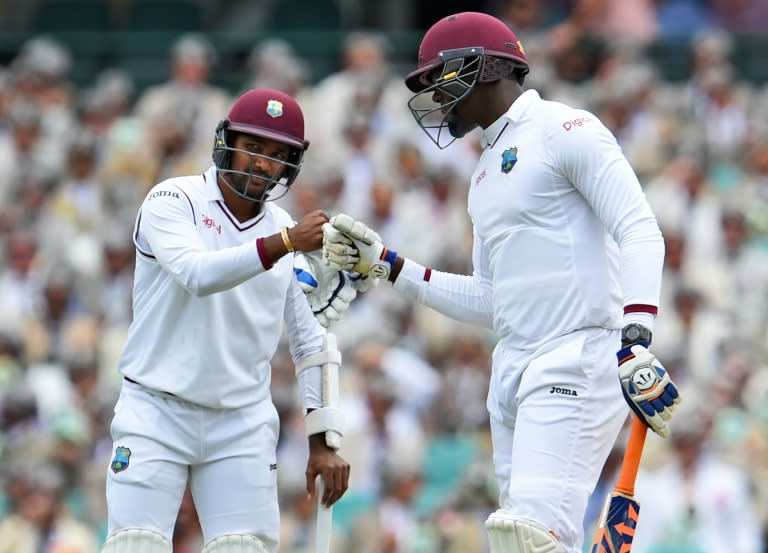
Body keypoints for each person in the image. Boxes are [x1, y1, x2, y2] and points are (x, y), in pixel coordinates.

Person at [322, 12, 681, 553]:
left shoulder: (566, 128)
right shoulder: (484, 175)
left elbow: (639, 229)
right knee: (517, 539)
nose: (434, 98)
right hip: (512, 367)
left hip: (576, 354)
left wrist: (637, 335)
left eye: (438, 80)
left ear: (486, 67)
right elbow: (492, 300)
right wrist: (392, 266)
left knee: (529, 538)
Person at [101, 88, 355, 553]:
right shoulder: (172, 200)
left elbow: (310, 342)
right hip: (156, 409)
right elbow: (197, 275)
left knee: (244, 547)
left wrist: (322, 439)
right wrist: (285, 243)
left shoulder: (283, 228)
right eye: (253, 147)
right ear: (227, 142)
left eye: (277, 155)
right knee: (135, 544)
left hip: (241, 422)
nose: (262, 164)